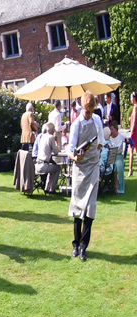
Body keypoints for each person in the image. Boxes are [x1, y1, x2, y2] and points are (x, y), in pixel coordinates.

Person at [68, 92, 104, 261]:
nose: (89, 114)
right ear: (83, 107)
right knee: (77, 206)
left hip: (93, 166)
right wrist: (76, 157)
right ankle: (75, 244)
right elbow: (70, 149)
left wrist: (98, 145)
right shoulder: (76, 125)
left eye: (91, 111)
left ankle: (84, 246)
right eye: (87, 111)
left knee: (90, 207)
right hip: (80, 168)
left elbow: (101, 140)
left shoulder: (97, 120)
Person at [34, 123, 61, 194]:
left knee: (52, 168)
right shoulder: (51, 137)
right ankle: (52, 189)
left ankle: (47, 188)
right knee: (57, 168)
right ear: (52, 130)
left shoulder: (43, 137)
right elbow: (56, 152)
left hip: (37, 164)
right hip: (44, 165)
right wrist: (57, 141)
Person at [106, 121, 126, 195]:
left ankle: (118, 187)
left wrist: (128, 141)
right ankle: (113, 185)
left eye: (112, 129)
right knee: (112, 166)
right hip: (110, 156)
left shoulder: (121, 136)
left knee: (118, 166)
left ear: (116, 129)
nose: (111, 131)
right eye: (110, 129)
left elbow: (128, 139)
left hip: (118, 155)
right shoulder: (109, 137)